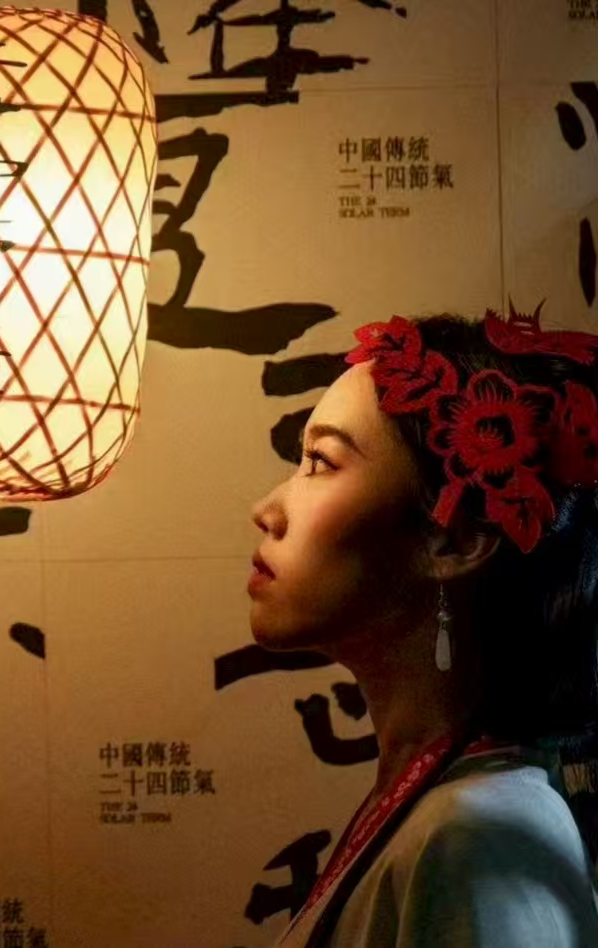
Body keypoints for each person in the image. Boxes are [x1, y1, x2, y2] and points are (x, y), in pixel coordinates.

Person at [248, 306, 598, 946]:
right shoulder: (443, 807)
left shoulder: (481, 837)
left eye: (321, 461)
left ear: (454, 539)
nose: (266, 509)